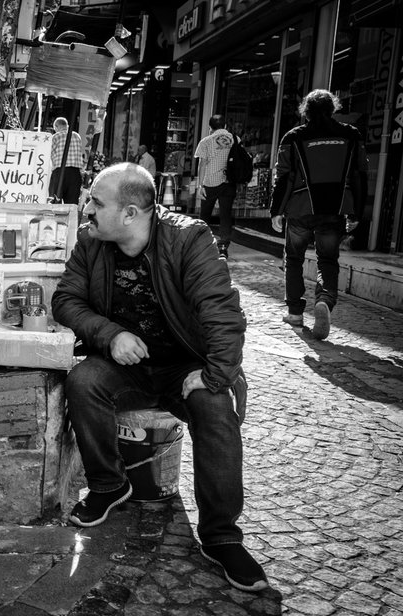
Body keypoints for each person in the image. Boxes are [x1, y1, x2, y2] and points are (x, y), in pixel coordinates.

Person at [51, 162, 267, 593]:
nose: (87, 209)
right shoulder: (91, 241)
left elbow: (222, 312)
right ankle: (109, 485)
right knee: (83, 381)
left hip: (183, 366)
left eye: (96, 202)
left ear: (130, 213)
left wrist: (216, 375)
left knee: (214, 406)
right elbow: (66, 300)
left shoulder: (190, 239)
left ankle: (222, 535)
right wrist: (110, 334)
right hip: (123, 366)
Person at [270, 89, 367, 341]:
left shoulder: (293, 137)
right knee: (328, 260)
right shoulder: (351, 135)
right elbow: (359, 175)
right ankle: (324, 299)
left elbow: (283, 177)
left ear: (306, 111)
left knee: (294, 258)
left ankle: (295, 313)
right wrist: (356, 212)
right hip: (334, 209)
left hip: (300, 208)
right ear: (332, 108)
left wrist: (276, 211)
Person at [194, 114, 236, 259]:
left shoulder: (206, 141)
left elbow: (202, 164)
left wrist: (200, 185)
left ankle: (201, 245)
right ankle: (223, 246)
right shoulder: (235, 139)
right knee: (225, 215)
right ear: (225, 126)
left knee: (205, 214)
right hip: (229, 182)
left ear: (210, 128)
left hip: (210, 182)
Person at [49, 116, 85, 206]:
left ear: (57, 126)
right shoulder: (77, 136)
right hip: (75, 173)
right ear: (67, 126)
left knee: (55, 201)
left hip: (60, 171)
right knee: (72, 203)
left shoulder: (55, 136)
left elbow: (50, 153)